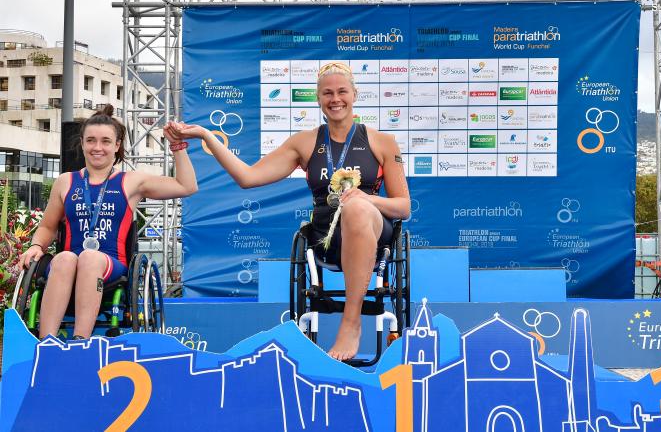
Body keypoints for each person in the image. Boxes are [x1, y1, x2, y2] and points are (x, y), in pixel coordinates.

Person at [169, 62, 410, 361]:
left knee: (357, 207)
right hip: (327, 239)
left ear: (355, 94)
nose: (335, 99)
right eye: (327, 93)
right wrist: (207, 136)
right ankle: (350, 318)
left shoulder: (382, 142)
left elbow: (403, 207)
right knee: (353, 207)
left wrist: (363, 199)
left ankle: (351, 322)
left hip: (373, 232)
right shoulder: (305, 142)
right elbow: (248, 177)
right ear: (318, 99)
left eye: (342, 92)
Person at [19, 105, 198, 340]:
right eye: (91, 140)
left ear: (117, 145)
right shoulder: (65, 182)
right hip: (69, 263)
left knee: (90, 258)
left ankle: (81, 341)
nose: (97, 147)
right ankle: (47, 342)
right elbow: (48, 226)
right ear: (82, 143)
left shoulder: (131, 181)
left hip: (112, 265)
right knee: (64, 257)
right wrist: (36, 246)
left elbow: (187, 186)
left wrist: (177, 146)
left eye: (105, 141)